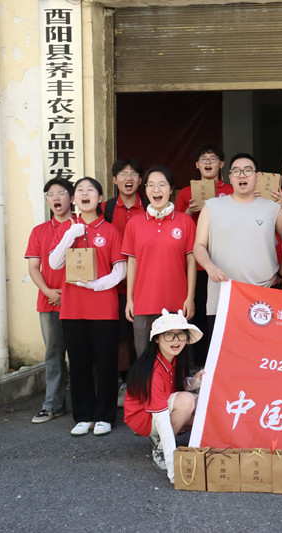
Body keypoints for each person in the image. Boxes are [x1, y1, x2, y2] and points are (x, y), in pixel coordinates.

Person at [48, 177, 127, 437]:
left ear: (100, 198)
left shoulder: (111, 230)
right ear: (74, 199)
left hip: (103, 308)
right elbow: (54, 263)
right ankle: (83, 415)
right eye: (79, 190)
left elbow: (120, 270)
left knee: (105, 363)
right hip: (72, 309)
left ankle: (104, 415)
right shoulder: (66, 229)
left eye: (90, 190)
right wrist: (69, 235)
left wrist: (97, 285)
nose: (84, 194)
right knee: (79, 364)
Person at [194, 153, 282, 334]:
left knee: (261, 349)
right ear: (229, 177)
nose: (242, 175)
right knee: (223, 350)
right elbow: (199, 246)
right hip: (222, 295)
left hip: (263, 296)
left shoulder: (273, 209)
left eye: (247, 170)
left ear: (257, 176)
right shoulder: (212, 206)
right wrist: (209, 267)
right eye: (236, 171)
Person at [122, 166, 197, 357]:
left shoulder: (185, 221)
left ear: (171, 189)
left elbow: (191, 262)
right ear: (145, 189)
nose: (157, 190)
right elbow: (132, 263)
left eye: (162, 185)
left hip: (176, 302)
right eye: (151, 185)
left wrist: (190, 297)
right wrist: (130, 299)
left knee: (177, 358)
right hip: (144, 303)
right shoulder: (135, 223)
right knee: (144, 358)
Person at [124, 309, 204, 482]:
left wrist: (196, 381)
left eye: (180, 334)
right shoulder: (153, 370)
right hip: (144, 418)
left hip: (158, 410)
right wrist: (174, 471)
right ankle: (160, 449)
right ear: (156, 339)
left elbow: (175, 386)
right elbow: (162, 418)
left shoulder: (173, 358)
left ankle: (162, 439)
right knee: (187, 401)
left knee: (202, 407)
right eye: (169, 335)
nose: (176, 340)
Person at [175, 143, 230, 367]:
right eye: (203, 159)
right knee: (196, 314)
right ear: (197, 165)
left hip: (223, 263)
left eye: (213, 158)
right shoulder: (185, 193)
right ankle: (198, 365)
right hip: (195, 265)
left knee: (222, 314)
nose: (208, 162)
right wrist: (189, 211)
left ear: (222, 164)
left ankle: (220, 362)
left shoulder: (231, 191)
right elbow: (175, 229)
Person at [25, 177, 74, 423]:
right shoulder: (39, 231)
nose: (55, 198)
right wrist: (48, 291)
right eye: (50, 194)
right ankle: (53, 404)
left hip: (79, 302)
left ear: (71, 198)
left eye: (61, 193)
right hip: (49, 302)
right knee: (53, 355)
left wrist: (68, 294)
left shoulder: (80, 227)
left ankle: (90, 404)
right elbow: (34, 267)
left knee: (83, 353)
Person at [103, 158, 147, 407]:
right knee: (121, 337)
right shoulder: (105, 208)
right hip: (115, 286)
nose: (128, 178)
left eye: (133, 174)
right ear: (114, 179)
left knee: (148, 335)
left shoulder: (151, 206)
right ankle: (124, 383)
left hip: (147, 284)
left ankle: (147, 381)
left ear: (140, 180)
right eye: (123, 173)